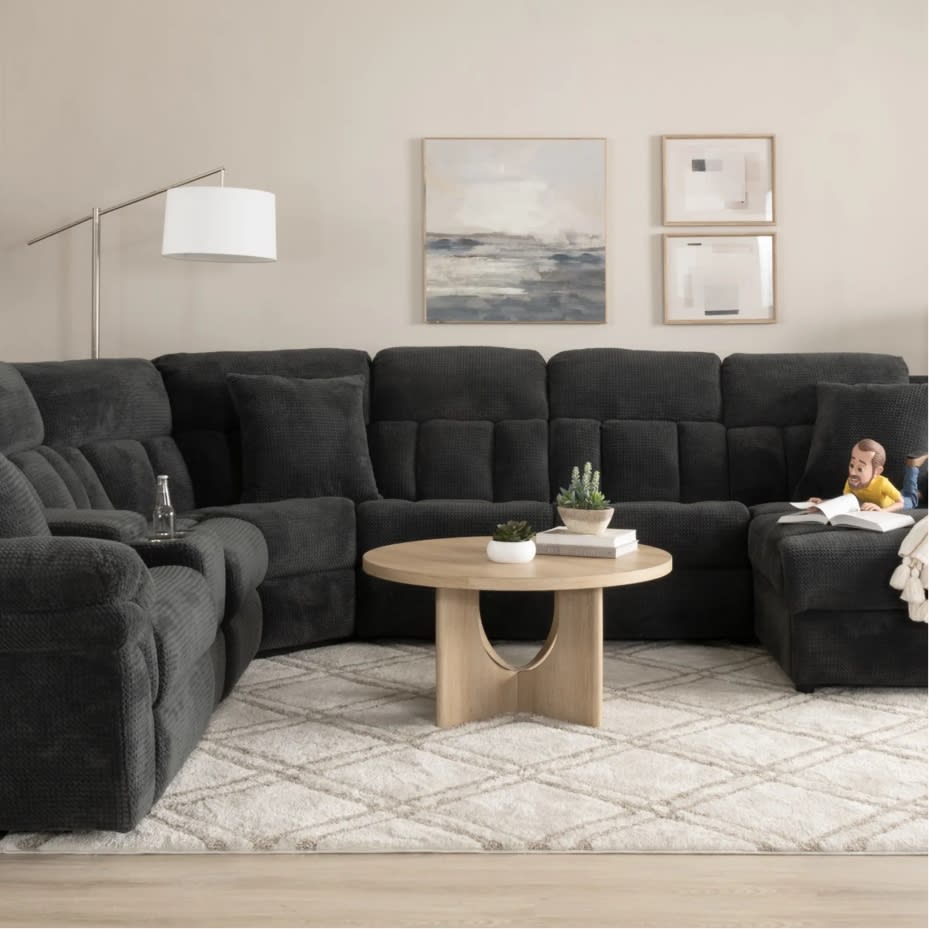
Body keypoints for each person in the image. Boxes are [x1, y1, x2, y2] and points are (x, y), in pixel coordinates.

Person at [809, 439, 925, 512]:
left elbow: (900, 502)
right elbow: (844, 500)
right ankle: (913, 493)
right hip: (888, 497)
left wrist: (882, 511)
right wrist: (823, 503)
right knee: (902, 493)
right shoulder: (852, 481)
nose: (853, 472)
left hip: (895, 503)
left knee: (910, 498)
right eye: (851, 465)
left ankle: (913, 465)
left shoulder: (882, 483)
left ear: (877, 471)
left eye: (860, 468)